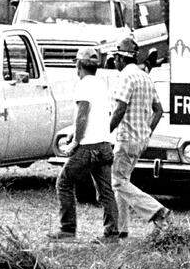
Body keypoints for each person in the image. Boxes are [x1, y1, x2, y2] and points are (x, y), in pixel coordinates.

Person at [49, 47, 120, 241]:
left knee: (63, 182)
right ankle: (112, 232)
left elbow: (82, 116)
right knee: (106, 191)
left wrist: (75, 142)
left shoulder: (83, 85)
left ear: (78, 65)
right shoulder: (102, 84)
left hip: (88, 147)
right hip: (105, 145)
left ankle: (67, 229)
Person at [109, 38, 171, 237]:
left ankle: (156, 211)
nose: (114, 62)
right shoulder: (144, 77)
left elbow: (120, 108)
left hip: (126, 138)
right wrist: (147, 131)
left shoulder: (126, 77)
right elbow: (159, 110)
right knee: (122, 181)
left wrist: (106, 131)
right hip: (141, 139)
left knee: (118, 182)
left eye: (116, 58)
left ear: (121, 59)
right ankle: (122, 228)